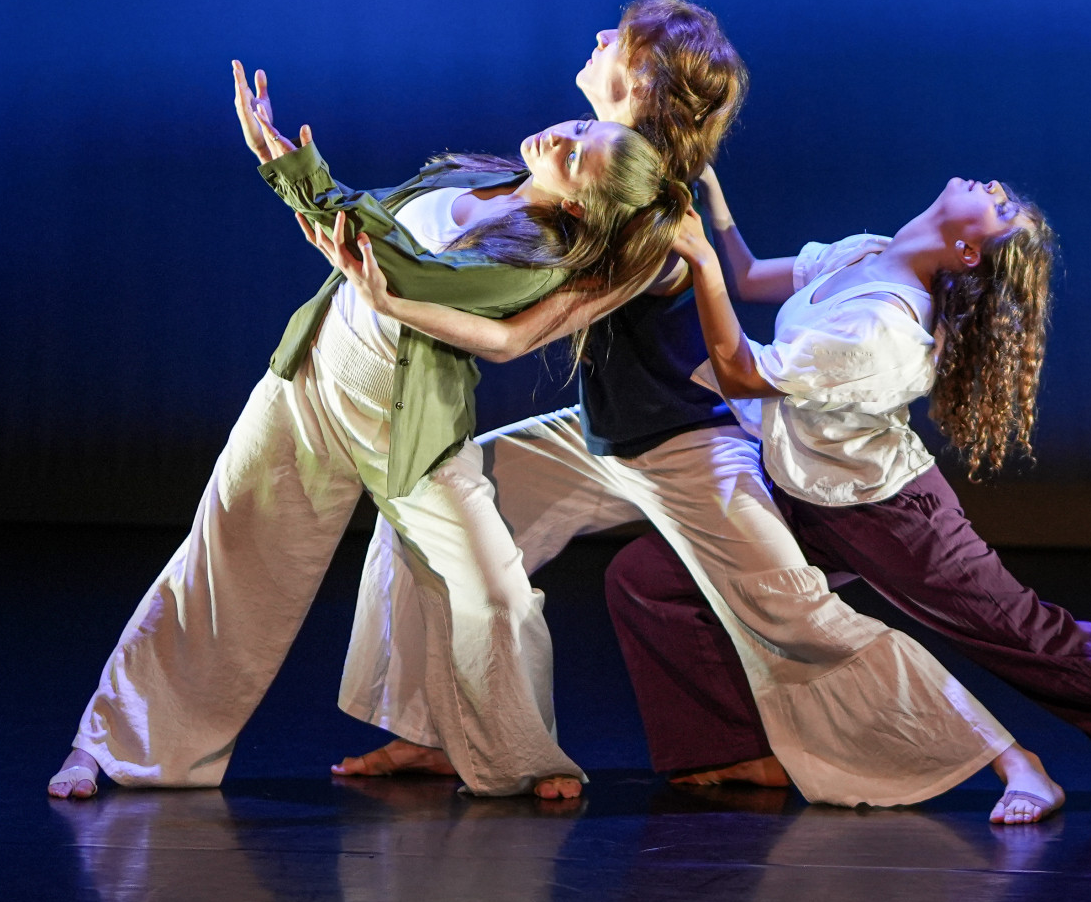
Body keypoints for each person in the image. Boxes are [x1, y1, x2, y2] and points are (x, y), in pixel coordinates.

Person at [320, 0, 1067, 820]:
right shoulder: (592, 151)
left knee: (799, 618)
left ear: (640, 84)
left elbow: (511, 339)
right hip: (601, 440)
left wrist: (385, 292)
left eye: (618, 39)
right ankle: (432, 728)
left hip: (689, 449)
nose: (599, 36)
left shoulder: (648, 209)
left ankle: (1010, 757)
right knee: (420, 516)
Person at [48, 63, 679, 802]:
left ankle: (520, 756)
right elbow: (359, 217)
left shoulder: (537, 261)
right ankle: (111, 742)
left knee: (494, 593)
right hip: (314, 383)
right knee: (224, 557)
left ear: (580, 204)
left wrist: (299, 175)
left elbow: (409, 270)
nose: (559, 140)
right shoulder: (476, 175)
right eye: (576, 131)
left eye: (575, 157)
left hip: (406, 426)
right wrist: (286, 164)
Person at [596, 168, 1091, 807]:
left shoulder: (888, 331)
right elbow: (749, 279)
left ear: (966, 252)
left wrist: (700, 263)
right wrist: (714, 204)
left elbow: (744, 372)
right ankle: (734, 752)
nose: (995, 188)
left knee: (1028, 636)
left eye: (1001, 207)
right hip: (798, 488)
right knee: (651, 578)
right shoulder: (866, 253)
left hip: (890, 513)